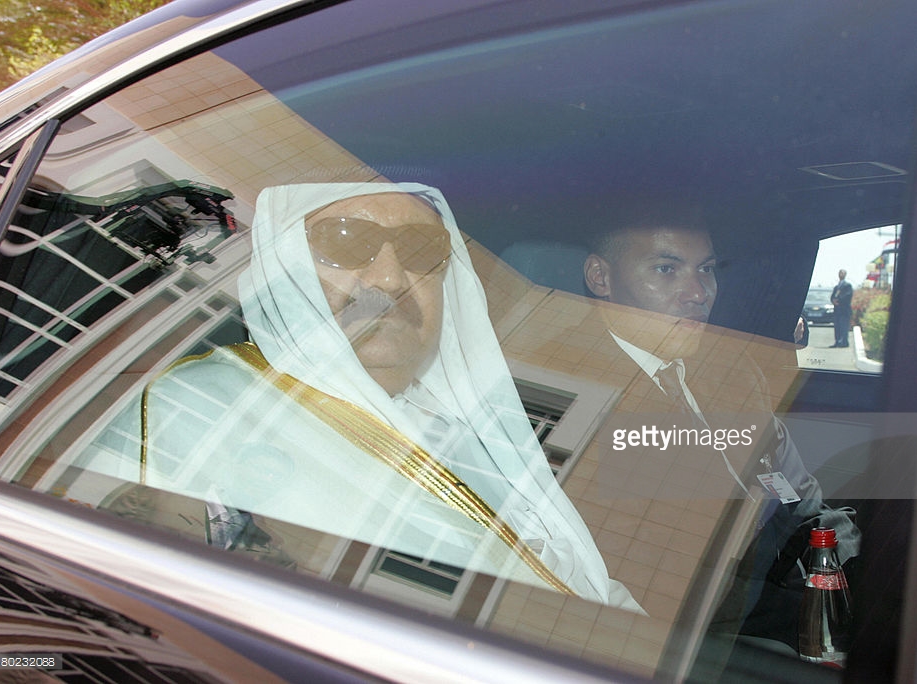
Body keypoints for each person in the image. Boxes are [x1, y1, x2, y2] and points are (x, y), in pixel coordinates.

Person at [74, 182, 640, 611]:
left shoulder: (475, 433)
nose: (390, 279)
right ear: (283, 271)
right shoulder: (201, 405)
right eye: (345, 242)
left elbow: (571, 587)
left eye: (420, 249)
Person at [581, 212, 858, 640]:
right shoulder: (577, 392)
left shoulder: (734, 370)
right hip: (715, 624)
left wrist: (838, 559)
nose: (698, 293)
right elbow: (653, 583)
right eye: (666, 269)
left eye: (706, 269)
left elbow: (798, 493)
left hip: (792, 573)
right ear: (601, 277)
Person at [830, 269, 854, 348]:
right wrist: (833, 301)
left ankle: (844, 342)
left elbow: (848, 295)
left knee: (844, 327)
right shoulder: (836, 287)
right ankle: (837, 342)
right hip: (837, 311)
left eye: (842, 273)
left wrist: (839, 300)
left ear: (845, 275)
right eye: (840, 273)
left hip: (844, 311)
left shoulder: (848, 286)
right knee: (837, 327)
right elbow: (832, 296)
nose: (841, 274)